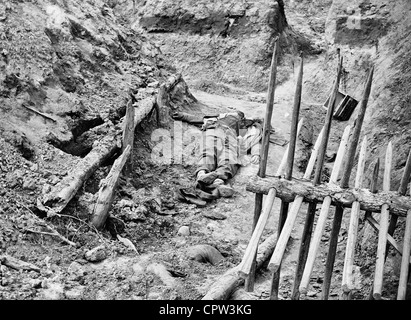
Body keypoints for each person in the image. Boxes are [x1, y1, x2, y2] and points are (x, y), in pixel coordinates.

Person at [173, 110, 263, 203]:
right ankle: (202, 174)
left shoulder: (248, 127)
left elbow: (254, 140)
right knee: (208, 151)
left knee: (229, 158)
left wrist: (256, 153)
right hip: (213, 130)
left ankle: (219, 181)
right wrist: (182, 115)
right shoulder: (221, 118)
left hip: (230, 137)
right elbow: (200, 119)